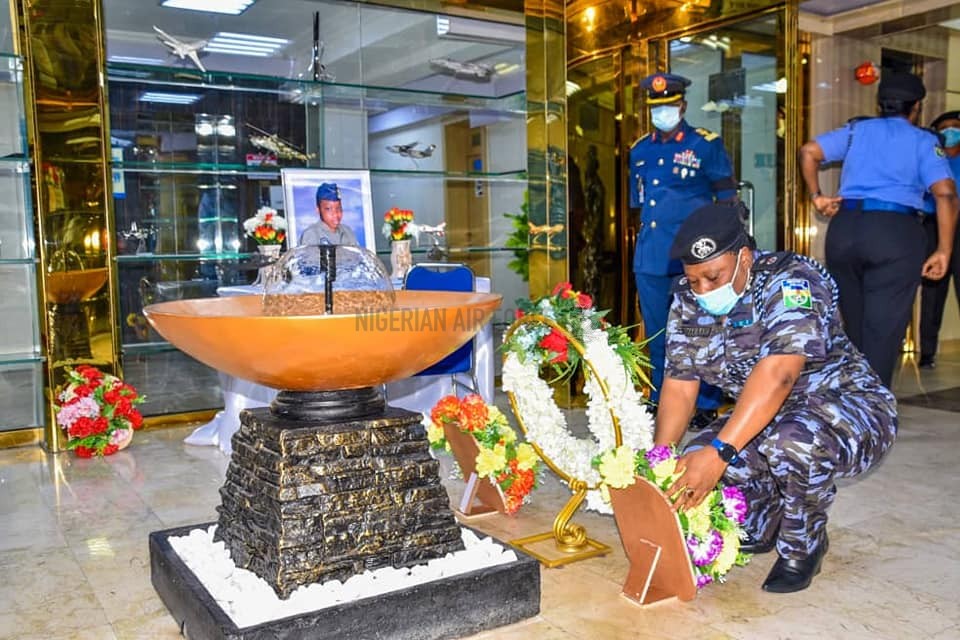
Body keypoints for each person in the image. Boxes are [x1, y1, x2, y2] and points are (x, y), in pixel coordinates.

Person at [655, 203, 897, 594]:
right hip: (770, 412)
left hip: (848, 407)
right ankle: (762, 520)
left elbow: (780, 373)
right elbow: (680, 384)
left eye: (712, 277)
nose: (702, 290)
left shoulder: (791, 280)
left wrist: (720, 453)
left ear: (744, 258)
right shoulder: (688, 298)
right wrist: (660, 462)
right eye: (693, 280)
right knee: (697, 455)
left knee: (784, 443)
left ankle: (804, 546)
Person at [799, 70, 958, 388]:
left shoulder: (857, 130)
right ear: (916, 107)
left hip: (845, 230)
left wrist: (817, 197)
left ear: (880, 103)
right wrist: (943, 249)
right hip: (894, 233)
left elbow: (809, 151)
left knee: (855, 326)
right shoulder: (924, 140)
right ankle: (872, 411)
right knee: (883, 329)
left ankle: (853, 400)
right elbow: (945, 193)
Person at [629, 72, 739, 428]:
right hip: (651, 256)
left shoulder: (706, 144)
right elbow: (641, 202)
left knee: (701, 330)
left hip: (694, 256)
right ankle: (660, 397)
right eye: (656, 108)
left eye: (669, 107)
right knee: (659, 332)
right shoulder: (640, 150)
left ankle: (706, 401)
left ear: (683, 106)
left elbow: (727, 201)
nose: (662, 113)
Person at [919, 111, 960, 369]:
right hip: (934, 225)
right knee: (933, 291)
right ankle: (927, 353)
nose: (949, 132)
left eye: (955, 127)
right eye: (944, 128)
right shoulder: (931, 160)